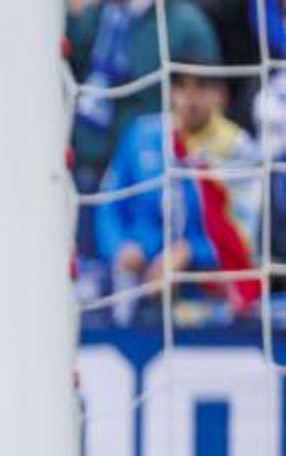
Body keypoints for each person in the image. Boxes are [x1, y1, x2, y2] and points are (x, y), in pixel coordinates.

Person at [96, 67, 261, 318]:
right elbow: (108, 204)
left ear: (221, 95)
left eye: (202, 87)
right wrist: (120, 247)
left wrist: (189, 252)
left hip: (206, 291)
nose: (190, 98)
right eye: (182, 86)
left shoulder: (237, 149)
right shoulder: (143, 134)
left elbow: (244, 237)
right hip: (136, 282)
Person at [68, 0, 220, 186]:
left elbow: (208, 98)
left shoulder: (186, 25)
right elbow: (70, 69)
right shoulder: (94, 16)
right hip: (87, 157)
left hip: (150, 168)